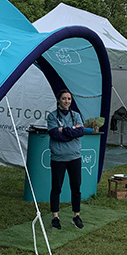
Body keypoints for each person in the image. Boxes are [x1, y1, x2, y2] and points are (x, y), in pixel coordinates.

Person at [46, 89, 84, 230]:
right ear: (59, 100)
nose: (66, 101)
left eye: (68, 99)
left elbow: (80, 132)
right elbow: (55, 135)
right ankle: (55, 217)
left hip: (74, 157)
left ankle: (76, 215)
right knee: (56, 188)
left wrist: (64, 129)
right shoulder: (52, 116)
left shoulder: (76, 115)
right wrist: (71, 132)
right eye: (64, 98)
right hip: (58, 158)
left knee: (76, 187)